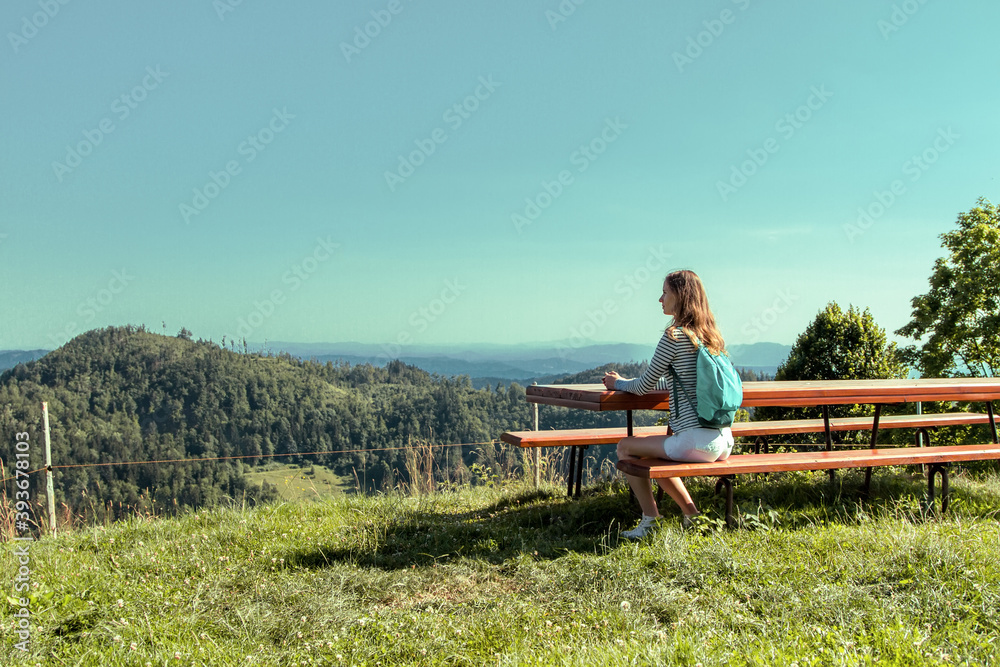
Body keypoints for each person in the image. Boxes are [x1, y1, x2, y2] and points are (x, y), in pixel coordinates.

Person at [603, 269, 734, 539]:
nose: (660, 299)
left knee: (625, 447)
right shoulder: (710, 336)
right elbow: (679, 383)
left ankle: (650, 520)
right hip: (723, 441)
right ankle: (692, 516)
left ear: (680, 296)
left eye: (665, 292)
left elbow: (643, 387)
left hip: (694, 441)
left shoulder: (673, 337)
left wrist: (617, 383)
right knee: (656, 457)